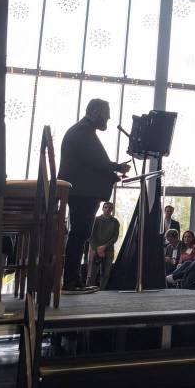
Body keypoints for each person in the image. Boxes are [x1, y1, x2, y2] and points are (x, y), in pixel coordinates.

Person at [58, 99, 132, 291]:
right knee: (79, 234)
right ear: (95, 111)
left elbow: (91, 163)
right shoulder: (83, 132)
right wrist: (117, 168)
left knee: (80, 235)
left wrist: (113, 173)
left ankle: (73, 281)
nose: (108, 117)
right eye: (106, 112)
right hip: (82, 192)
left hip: (81, 190)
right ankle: (71, 281)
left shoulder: (82, 131)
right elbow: (97, 162)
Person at [86, 201, 119, 289]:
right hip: (95, 250)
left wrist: (104, 247)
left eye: (110, 207)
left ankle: (102, 291)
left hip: (108, 250)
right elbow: (91, 236)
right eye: (106, 207)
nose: (108, 209)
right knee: (92, 273)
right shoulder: (96, 220)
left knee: (106, 273)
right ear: (102, 208)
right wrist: (97, 248)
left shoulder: (115, 222)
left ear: (112, 209)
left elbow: (115, 237)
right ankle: (88, 289)